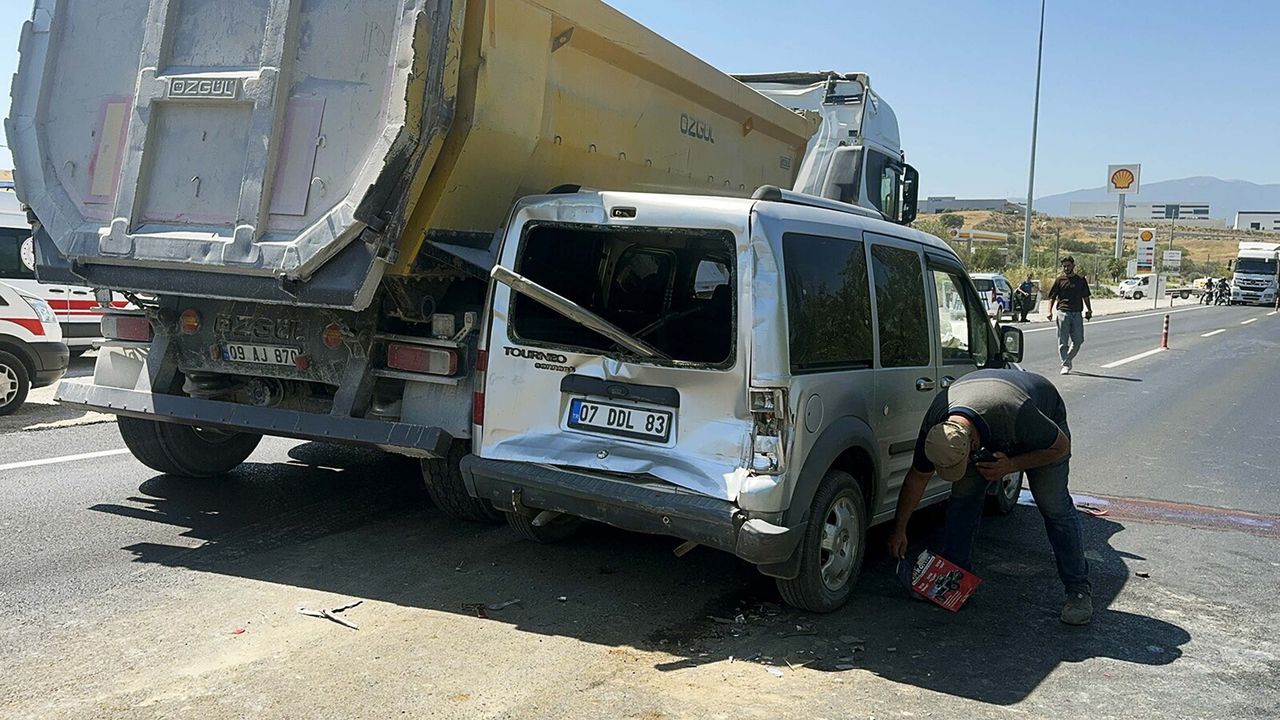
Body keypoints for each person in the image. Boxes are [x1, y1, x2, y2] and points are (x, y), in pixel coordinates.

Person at [888, 368, 1092, 625]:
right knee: (963, 500)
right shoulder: (937, 423)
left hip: (1041, 431)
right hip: (987, 423)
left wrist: (1011, 465)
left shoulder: (1016, 412)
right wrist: (899, 530)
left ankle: (1078, 590)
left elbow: (1061, 447)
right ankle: (953, 581)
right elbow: (917, 478)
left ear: (972, 445)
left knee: (1054, 506)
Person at [1046, 256, 1092, 375]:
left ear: (1073, 266)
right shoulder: (1059, 280)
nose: (1066, 268)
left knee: (1078, 340)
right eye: (1064, 266)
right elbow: (1052, 297)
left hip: (1077, 313)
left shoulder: (1080, 280)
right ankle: (1066, 365)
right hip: (1063, 312)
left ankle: (1068, 359)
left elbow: (1086, 296)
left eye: (1068, 266)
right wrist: (1049, 311)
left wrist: (1089, 309)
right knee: (1063, 341)